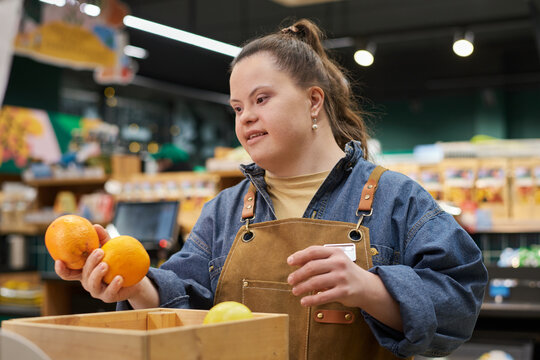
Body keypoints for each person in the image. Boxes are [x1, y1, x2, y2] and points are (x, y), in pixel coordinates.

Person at [54, 19, 488, 359]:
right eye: (238, 107)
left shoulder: (397, 199)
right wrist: (131, 287)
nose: (244, 118)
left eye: (262, 99)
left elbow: (460, 302)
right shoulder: (225, 210)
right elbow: (184, 297)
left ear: (313, 101)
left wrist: (371, 290)